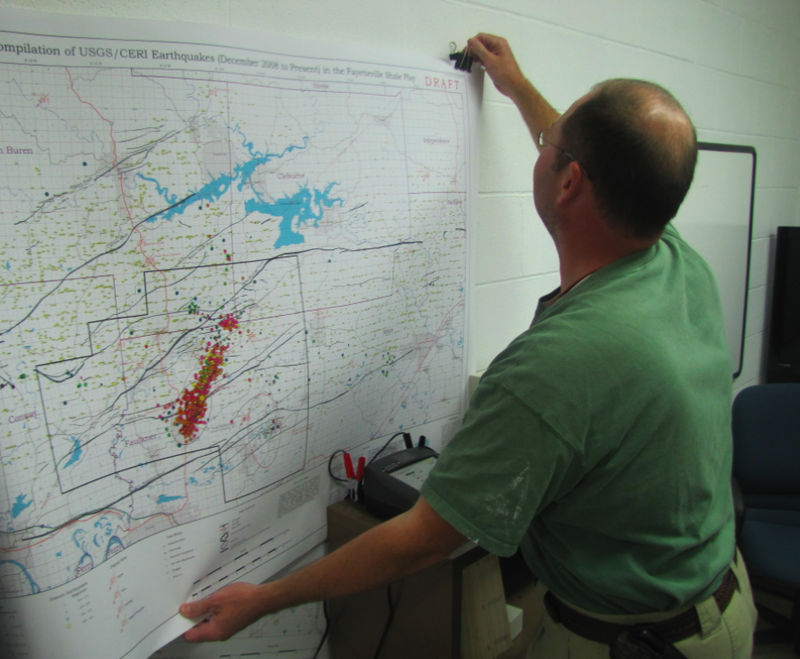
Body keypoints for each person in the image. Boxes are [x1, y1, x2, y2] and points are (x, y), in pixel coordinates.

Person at [179, 34, 757, 658]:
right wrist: (518, 88)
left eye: (554, 140)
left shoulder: (554, 366)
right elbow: (608, 161)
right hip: (724, 606)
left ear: (569, 183)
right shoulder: (673, 254)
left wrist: (261, 600)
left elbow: (426, 539)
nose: (546, 140)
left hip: (627, 643)